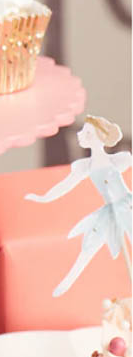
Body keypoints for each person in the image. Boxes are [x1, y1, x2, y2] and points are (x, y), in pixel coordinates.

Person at [26, 115, 132, 296]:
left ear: (99, 136)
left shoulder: (119, 159)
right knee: (90, 243)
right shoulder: (84, 166)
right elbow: (64, 185)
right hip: (109, 210)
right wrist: (43, 198)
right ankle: (66, 283)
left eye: (87, 132)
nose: (80, 134)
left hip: (127, 204)